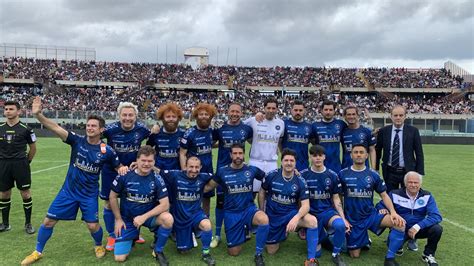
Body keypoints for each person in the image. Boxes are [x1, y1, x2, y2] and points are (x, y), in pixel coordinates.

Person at [21, 96, 128, 265]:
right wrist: (38, 115)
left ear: (101, 129)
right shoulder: (76, 141)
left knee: (93, 226)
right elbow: (55, 127)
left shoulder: (107, 151)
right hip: (68, 191)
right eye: (88, 125)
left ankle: (98, 245)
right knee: (48, 221)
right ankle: (37, 251)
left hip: (89, 194)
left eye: (94, 126)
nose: (90, 128)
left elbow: (118, 167)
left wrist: (123, 169)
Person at [338, 144, 406, 266]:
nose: (358, 154)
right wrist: (342, 218)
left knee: (399, 224)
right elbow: (338, 198)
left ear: (366, 155)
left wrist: (393, 212)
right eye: (356, 152)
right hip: (352, 219)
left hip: (370, 215)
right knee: (354, 255)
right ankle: (363, 240)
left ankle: (390, 258)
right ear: (351, 155)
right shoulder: (343, 174)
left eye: (361, 152)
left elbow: (384, 195)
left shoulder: (373, 174)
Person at [204, 143, 269, 266]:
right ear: (230, 155)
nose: (238, 156)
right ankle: (244, 229)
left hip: (249, 210)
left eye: (240, 153)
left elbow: (268, 178)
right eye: (235, 153)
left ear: (244, 154)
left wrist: (292, 172)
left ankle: (259, 254)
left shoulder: (252, 169)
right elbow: (208, 187)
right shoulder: (222, 171)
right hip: (231, 213)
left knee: (263, 219)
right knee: (234, 252)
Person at [109, 145, 173, 265]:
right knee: (120, 258)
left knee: (168, 218)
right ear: (137, 160)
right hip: (128, 219)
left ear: (154, 162)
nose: (146, 164)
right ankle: (133, 235)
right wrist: (118, 219)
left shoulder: (157, 178)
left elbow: (165, 205)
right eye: (143, 160)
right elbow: (112, 196)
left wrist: (144, 217)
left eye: (150, 161)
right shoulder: (125, 175)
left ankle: (158, 251)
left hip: (148, 218)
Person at [101, 102, 151, 250]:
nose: (127, 118)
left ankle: (134, 234)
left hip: (133, 172)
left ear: (136, 116)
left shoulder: (142, 129)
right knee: (110, 203)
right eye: (124, 115)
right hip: (112, 170)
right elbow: (95, 137)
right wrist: (104, 149)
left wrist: (140, 160)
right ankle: (112, 235)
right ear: (119, 116)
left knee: (133, 202)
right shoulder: (110, 129)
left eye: (131, 115)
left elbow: (152, 140)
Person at [259, 149, 320, 266]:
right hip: (273, 216)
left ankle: (311, 260)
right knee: (271, 251)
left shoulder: (300, 181)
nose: (289, 163)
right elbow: (262, 191)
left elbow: (306, 206)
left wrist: (296, 218)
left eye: (292, 160)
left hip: (290, 214)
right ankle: (283, 233)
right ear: (281, 162)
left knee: (312, 221)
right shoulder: (271, 175)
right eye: (286, 160)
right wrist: (262, 211)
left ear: (295, 163)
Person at [159, 156, 217, 266]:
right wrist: (143, 165)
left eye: (196, 167)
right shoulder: (175, 175)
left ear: (200, 167)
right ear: (185, 166)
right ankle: (178, 233)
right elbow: (159, 171)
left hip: (196, 214)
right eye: (191, 167)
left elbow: (218, 178)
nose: (194, 170)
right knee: (183, 251)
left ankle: (206, 254)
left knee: (207, 225)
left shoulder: (203, 177)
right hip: (180, 217)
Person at [376, 171, 442, 266]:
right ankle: (399, 245)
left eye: (416, 182)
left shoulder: (427, 196)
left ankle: (428, 254)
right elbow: (380, 205)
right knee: (392, 245)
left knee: (437, 229)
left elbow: (436, 216)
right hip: (400, 229)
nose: (413, 185)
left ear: (420, 184)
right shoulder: (395, 194)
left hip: (418, 229)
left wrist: (417, 226)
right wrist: (383, 209)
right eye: (410, 182)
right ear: (405, 183)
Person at [211, 103, 253, 247]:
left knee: (243, 200)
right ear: (227, 112)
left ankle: (244, 227)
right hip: (223, 172)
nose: (234, 114)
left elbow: (254, 143)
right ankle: (217, 235)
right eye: (232, 111)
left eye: (237, 111)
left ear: (242, 113)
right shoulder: (220, 129)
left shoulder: (247, 129)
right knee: (220, 202)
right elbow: (213, 143)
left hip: (241, 172)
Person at [300, 145, 349, 266]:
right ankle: (323, 238)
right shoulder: (303, 175)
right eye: (314, 155)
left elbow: (336, 198)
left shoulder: (332, 175)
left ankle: (336, 255)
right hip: (310, 213)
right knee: (317, 254)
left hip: (327, 212)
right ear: (310, 157)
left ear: (324, 157)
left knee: (340, 225)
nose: (317, 158)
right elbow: (299, 199)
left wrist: (343, 218)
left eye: (320, 155)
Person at [0, 100, 37, 234]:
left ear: (18, 111)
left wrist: (27, 161)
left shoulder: (26, 129)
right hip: (3, 164)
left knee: (25, 193)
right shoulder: (0, 127)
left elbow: (33, 148)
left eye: (11, 109)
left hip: (21, 164)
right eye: (6, 109)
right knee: (4, 193)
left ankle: (28, 224)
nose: (8, 111)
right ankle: (5, 223)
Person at [375, 105, 425, 192]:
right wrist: (376, 169)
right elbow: (377, 151)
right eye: (395, 115)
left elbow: (419, 153)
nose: (398, 118)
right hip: (389, 171)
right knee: (390, 196)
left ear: (405, 116)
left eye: (401, 115)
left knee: (408, 196)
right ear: (391, 116)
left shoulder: (413, 131)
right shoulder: (383, 131)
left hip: (408, 171)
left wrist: (419, 173)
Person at [180, 103, 217, 216]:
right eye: (201, 114)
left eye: (207, 114)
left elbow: (212, 144)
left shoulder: (212, 132)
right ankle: (189, 223)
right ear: (196, 116)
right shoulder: (190, 133)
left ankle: (205, 223)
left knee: (206, 199)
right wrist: (184, 170)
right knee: (191, 198)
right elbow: (182, 153)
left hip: (208, 170)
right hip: (193, 171)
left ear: (210, 117)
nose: (204, 116)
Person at [244, 97, 284, 195]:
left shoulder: (281, 123)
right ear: (264, 108)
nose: (271, 110)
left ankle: (266, 210)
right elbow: (239, 128)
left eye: (273, 108)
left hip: (272, 163)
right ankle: (251, 210)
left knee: (270, 192)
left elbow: (280, 141)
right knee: (252, 192)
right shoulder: (253, 120)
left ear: (277, 109)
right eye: (268, 108)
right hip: (255, 161)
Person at [281, 100, 319, 172]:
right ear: (291, 110)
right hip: (286, 164)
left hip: (303, 165)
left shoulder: (309, 127)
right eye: (295, 110)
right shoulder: (284, 124)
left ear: (304, 111)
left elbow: (315, 145)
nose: (298, 112)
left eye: (300, 110)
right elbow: (279, 142)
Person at [146, 102, 185, 171]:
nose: (171, 119)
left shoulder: (183, 134)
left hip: (176, 174)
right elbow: (147, 150)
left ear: (178, 118)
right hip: (158, 172)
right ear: (162, 118)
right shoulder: (156, 133)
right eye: (168, 116)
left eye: (174, 116)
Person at [311, 100, 346, 173]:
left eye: (330, 110)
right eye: (326, 110)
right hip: (319, 165)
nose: (328, 112)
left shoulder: (341, 124)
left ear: (334, 111)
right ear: (321, 111)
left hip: (336, 166)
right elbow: (312, 142)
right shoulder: (315, 126)